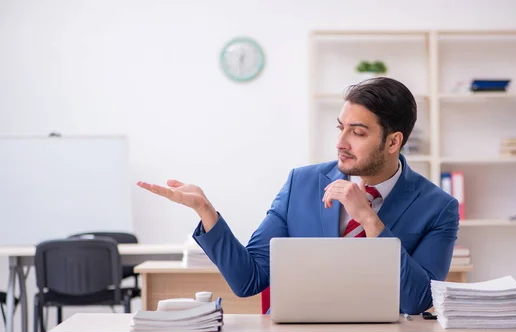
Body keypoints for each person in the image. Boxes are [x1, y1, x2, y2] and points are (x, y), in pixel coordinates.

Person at [138, 77, 459, 315]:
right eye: (340, 128)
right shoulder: (302, 184)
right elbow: (248, 280)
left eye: (358, 132)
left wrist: (369, 220)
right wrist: (206, 212)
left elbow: (417, 300)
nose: (341, 142)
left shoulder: (438, 208)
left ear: (393, 143)